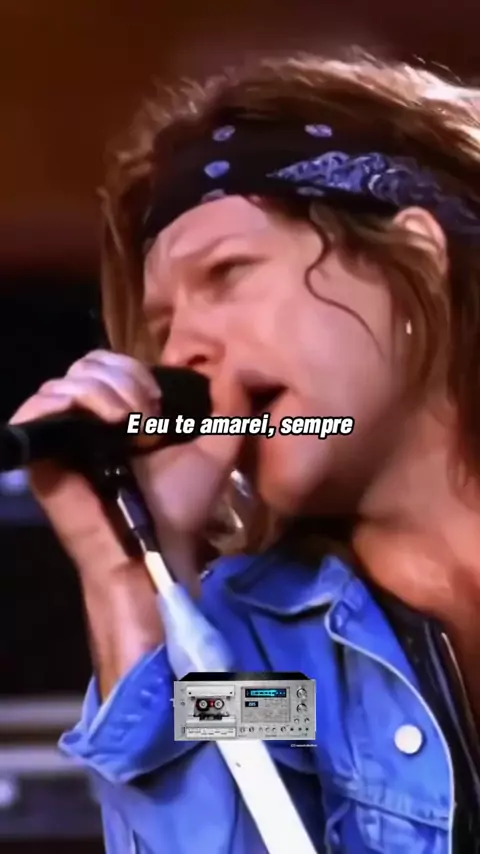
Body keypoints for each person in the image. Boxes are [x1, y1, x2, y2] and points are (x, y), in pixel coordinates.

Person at [11, 52, 480, 853]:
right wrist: (134, 589)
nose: (183, 350)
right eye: (162, 327)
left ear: (419, 261)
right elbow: (219, 763)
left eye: (227, 273)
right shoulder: (281, 675)